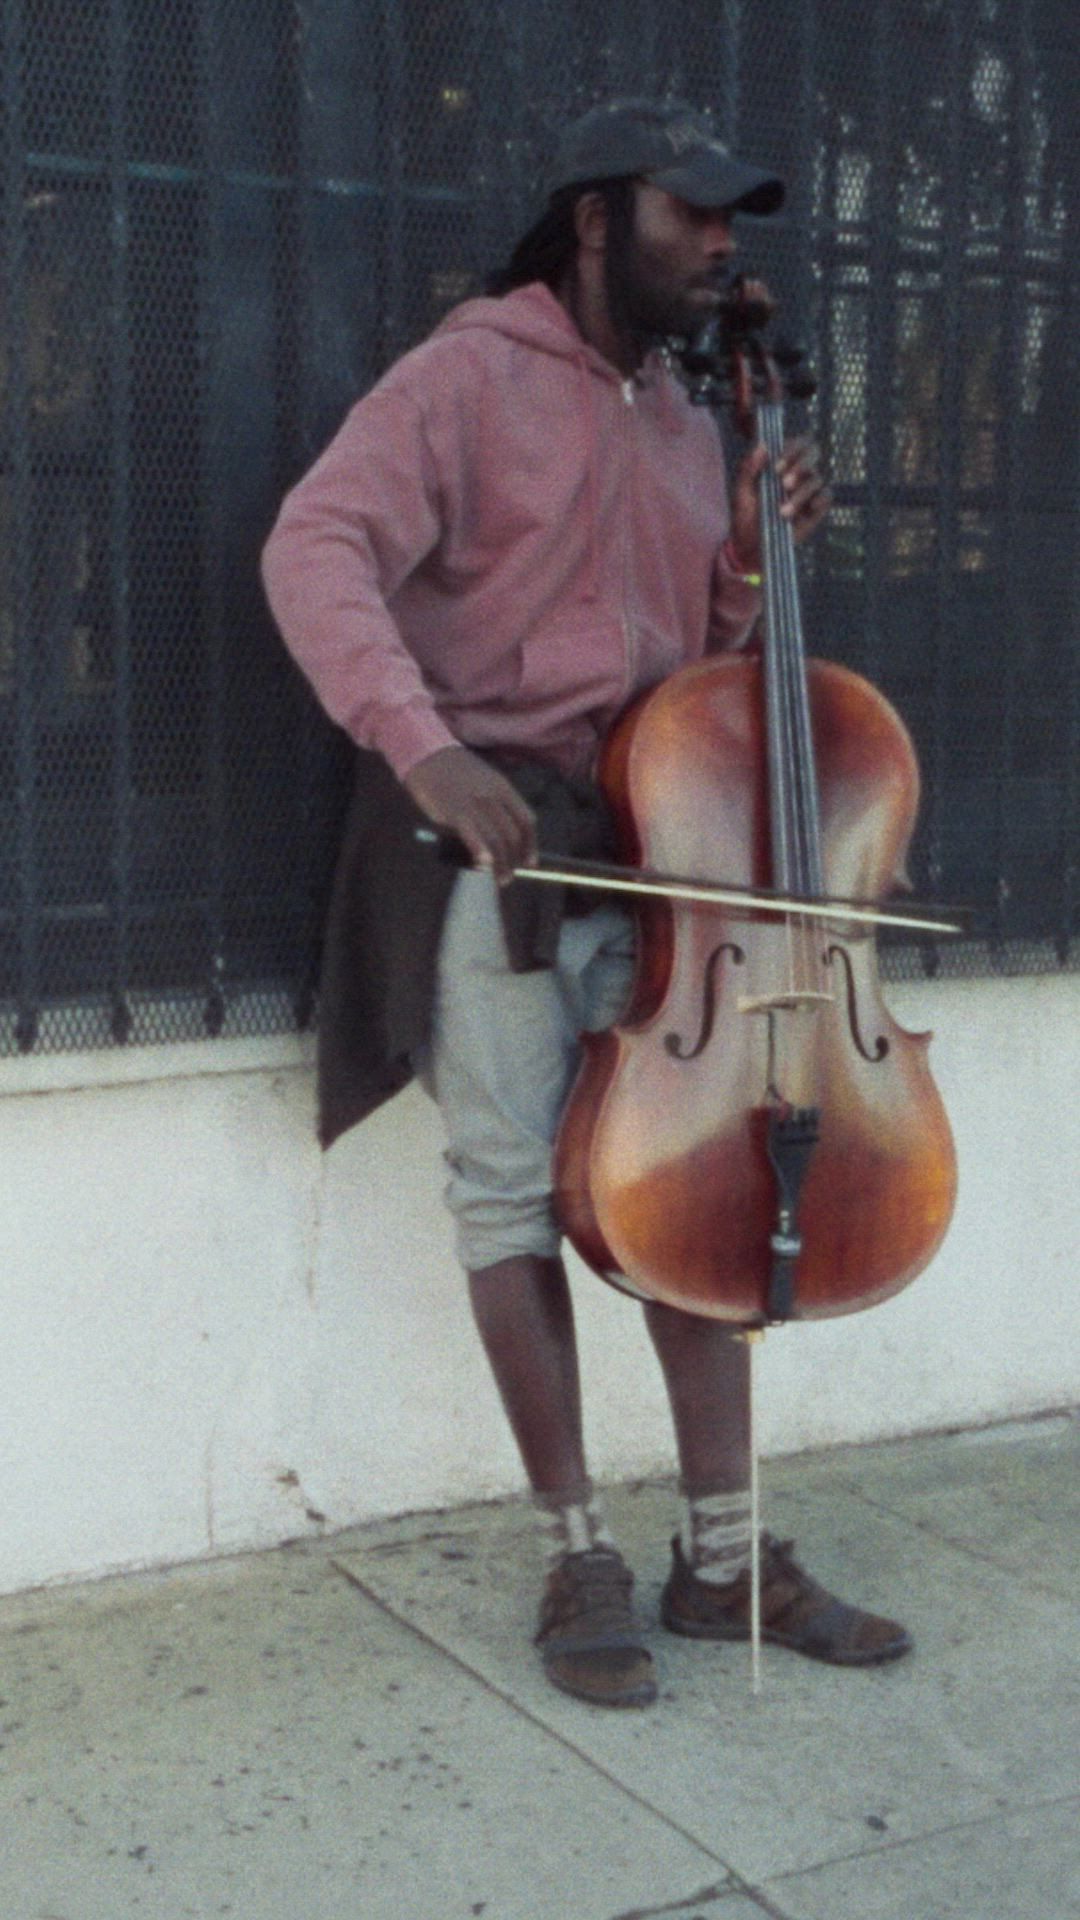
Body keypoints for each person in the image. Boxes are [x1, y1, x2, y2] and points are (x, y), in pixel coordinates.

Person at [262, 97, 912, 1709]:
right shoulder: (466, 378)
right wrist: (423, 755)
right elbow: (314, 545)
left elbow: (689, 664)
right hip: (495, 848)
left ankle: (723, 1557)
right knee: (507, 1192)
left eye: (731, 222)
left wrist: (751, 579)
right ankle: (578, 1551)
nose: (720, 246)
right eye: (688, 215)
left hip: (654, 851)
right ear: (596, 224)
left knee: (691, 1185)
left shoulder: (693, 425)